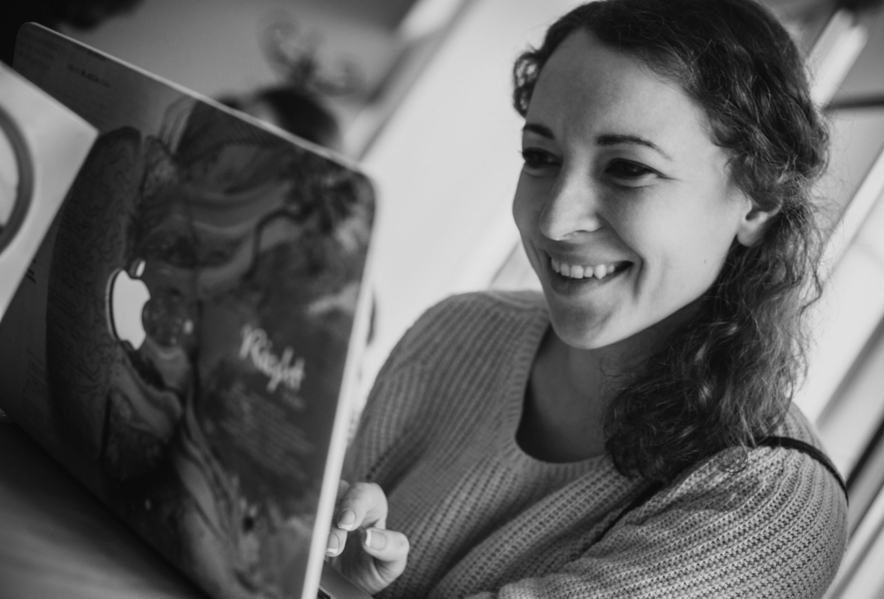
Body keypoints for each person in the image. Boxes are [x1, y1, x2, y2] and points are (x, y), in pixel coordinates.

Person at [326, 0, 848, 597]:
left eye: (628, 168)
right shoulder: (457, 330)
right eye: (540, 157)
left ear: (756, 200)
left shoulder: (771, 505)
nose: (554, 219)